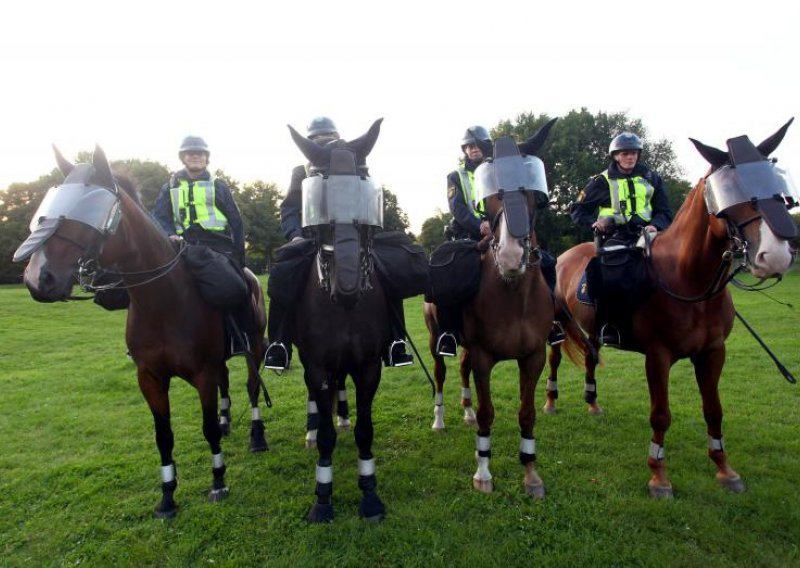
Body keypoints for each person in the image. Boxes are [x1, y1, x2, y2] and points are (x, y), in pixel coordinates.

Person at [263, 117, 414, 370]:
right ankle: (279, 345)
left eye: (328, 138)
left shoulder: (355, 163)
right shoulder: (300, 171)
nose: (324, 143)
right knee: (283, 276)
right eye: (318, 140)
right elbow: (289, 208)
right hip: (312, 239)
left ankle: (396, 341)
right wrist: (295, 235)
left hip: (355, 236)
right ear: (311, 144)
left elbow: (368, 197)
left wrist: (367, 229)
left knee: (387, 276)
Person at [433, 126, 563, 357]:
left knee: (547, 263)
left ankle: (551, 321)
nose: (473, 150)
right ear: (465, 150)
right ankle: (449, 333)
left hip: (503, 231)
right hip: (470, 236)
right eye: (469, 146)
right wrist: (478, 225)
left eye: (477, 145)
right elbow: (458, 208)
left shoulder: (499, 171)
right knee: (452, 274)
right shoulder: (457, 176)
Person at [569, 131, 673, 346]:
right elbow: (577, 210)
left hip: (649, 234)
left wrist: (656, 225)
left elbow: (664, 211)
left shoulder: (652, 178)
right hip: (616, 237)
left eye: (634, 153)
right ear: (615, 156)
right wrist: (594, 223)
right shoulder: (601, 181)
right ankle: (609, 325)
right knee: (609, 275)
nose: (630, 157)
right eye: (625, 153)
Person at [152, 135, 245, 265]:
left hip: (217, 246)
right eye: (190, 153)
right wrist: (169, 234)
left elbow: (236, 222)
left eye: (200, 153)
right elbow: (159, 217)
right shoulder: (169, 188)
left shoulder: (219, 186)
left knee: (227, 282)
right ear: (183, 158)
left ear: (206, 158)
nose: (195, 156)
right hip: (180, 246)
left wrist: (240, 258)